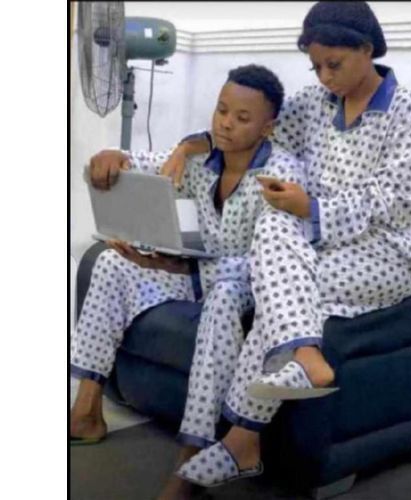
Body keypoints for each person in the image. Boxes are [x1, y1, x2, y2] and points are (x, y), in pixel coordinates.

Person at [162, 1, 411, 489]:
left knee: (277, 292)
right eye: (316, 66)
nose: (324, 76)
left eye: (334, 64)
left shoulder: (402, 109)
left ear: (366, 49)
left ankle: (244, 439)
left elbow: (400, 201)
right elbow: (253, 131)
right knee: (273, 230)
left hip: (392, 249)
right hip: (323, 241)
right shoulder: (313, 103)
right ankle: (304, 356)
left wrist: (312, 207)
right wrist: (189, 145)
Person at [70, 64, 305, 497]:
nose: (226, 123)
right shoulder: (199, 159)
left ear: (268, 127)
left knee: (223, 298)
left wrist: (178, 268)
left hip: (246, 288)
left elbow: (270, 262)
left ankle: (191, 458)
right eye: (221, 110)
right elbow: (147, 165)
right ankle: (86, 411)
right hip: (197, 273)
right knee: (111, 263)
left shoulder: (282, 177)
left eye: (242, 117)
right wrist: (113, 157)